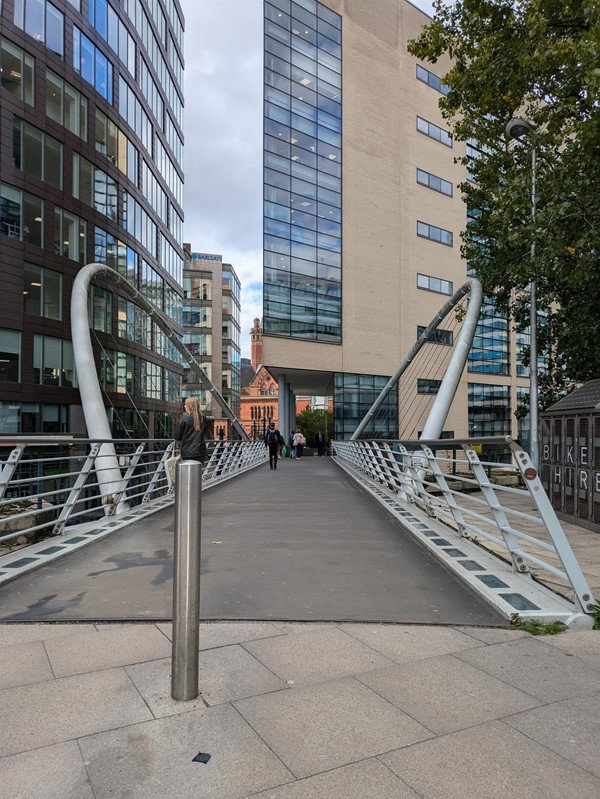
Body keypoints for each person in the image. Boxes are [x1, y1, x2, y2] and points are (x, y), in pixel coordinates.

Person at [174, 396, 209, 464]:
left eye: (185, 404)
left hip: (187, 452)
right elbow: (204, 432)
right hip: (200, 452)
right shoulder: (203, 419)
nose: (184, 406)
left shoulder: (184, 418)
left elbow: (177, 436)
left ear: (189, 406)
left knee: (187, 473)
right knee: (197, 472)